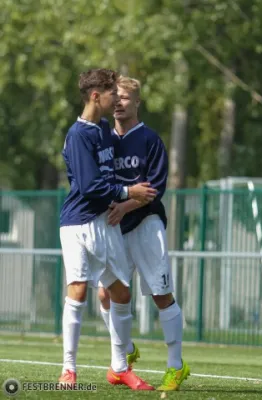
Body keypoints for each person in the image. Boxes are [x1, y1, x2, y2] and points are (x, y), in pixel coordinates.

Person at [59, 69, 156, 390]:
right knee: (79, 289)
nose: (117, 97)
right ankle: (68, 370)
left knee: (121, 293)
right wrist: (129, 193)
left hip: (105, 222)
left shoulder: (103, 130)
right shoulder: (78, 134)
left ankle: (119, 368)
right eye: (111, 92)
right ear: (95, 96)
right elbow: (89, 186)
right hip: (77, 223)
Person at [98, 76, 190, 392]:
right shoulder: (102, 139)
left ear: (138, 102)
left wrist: (124, 207)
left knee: (161, 295)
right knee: (104, 293)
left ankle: (176, 366)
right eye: (116, 97)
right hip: (112, 227)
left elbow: (156, 188)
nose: (120, 102)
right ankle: (123, 351)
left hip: (146, 225)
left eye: (126, 97)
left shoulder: (149, 139)